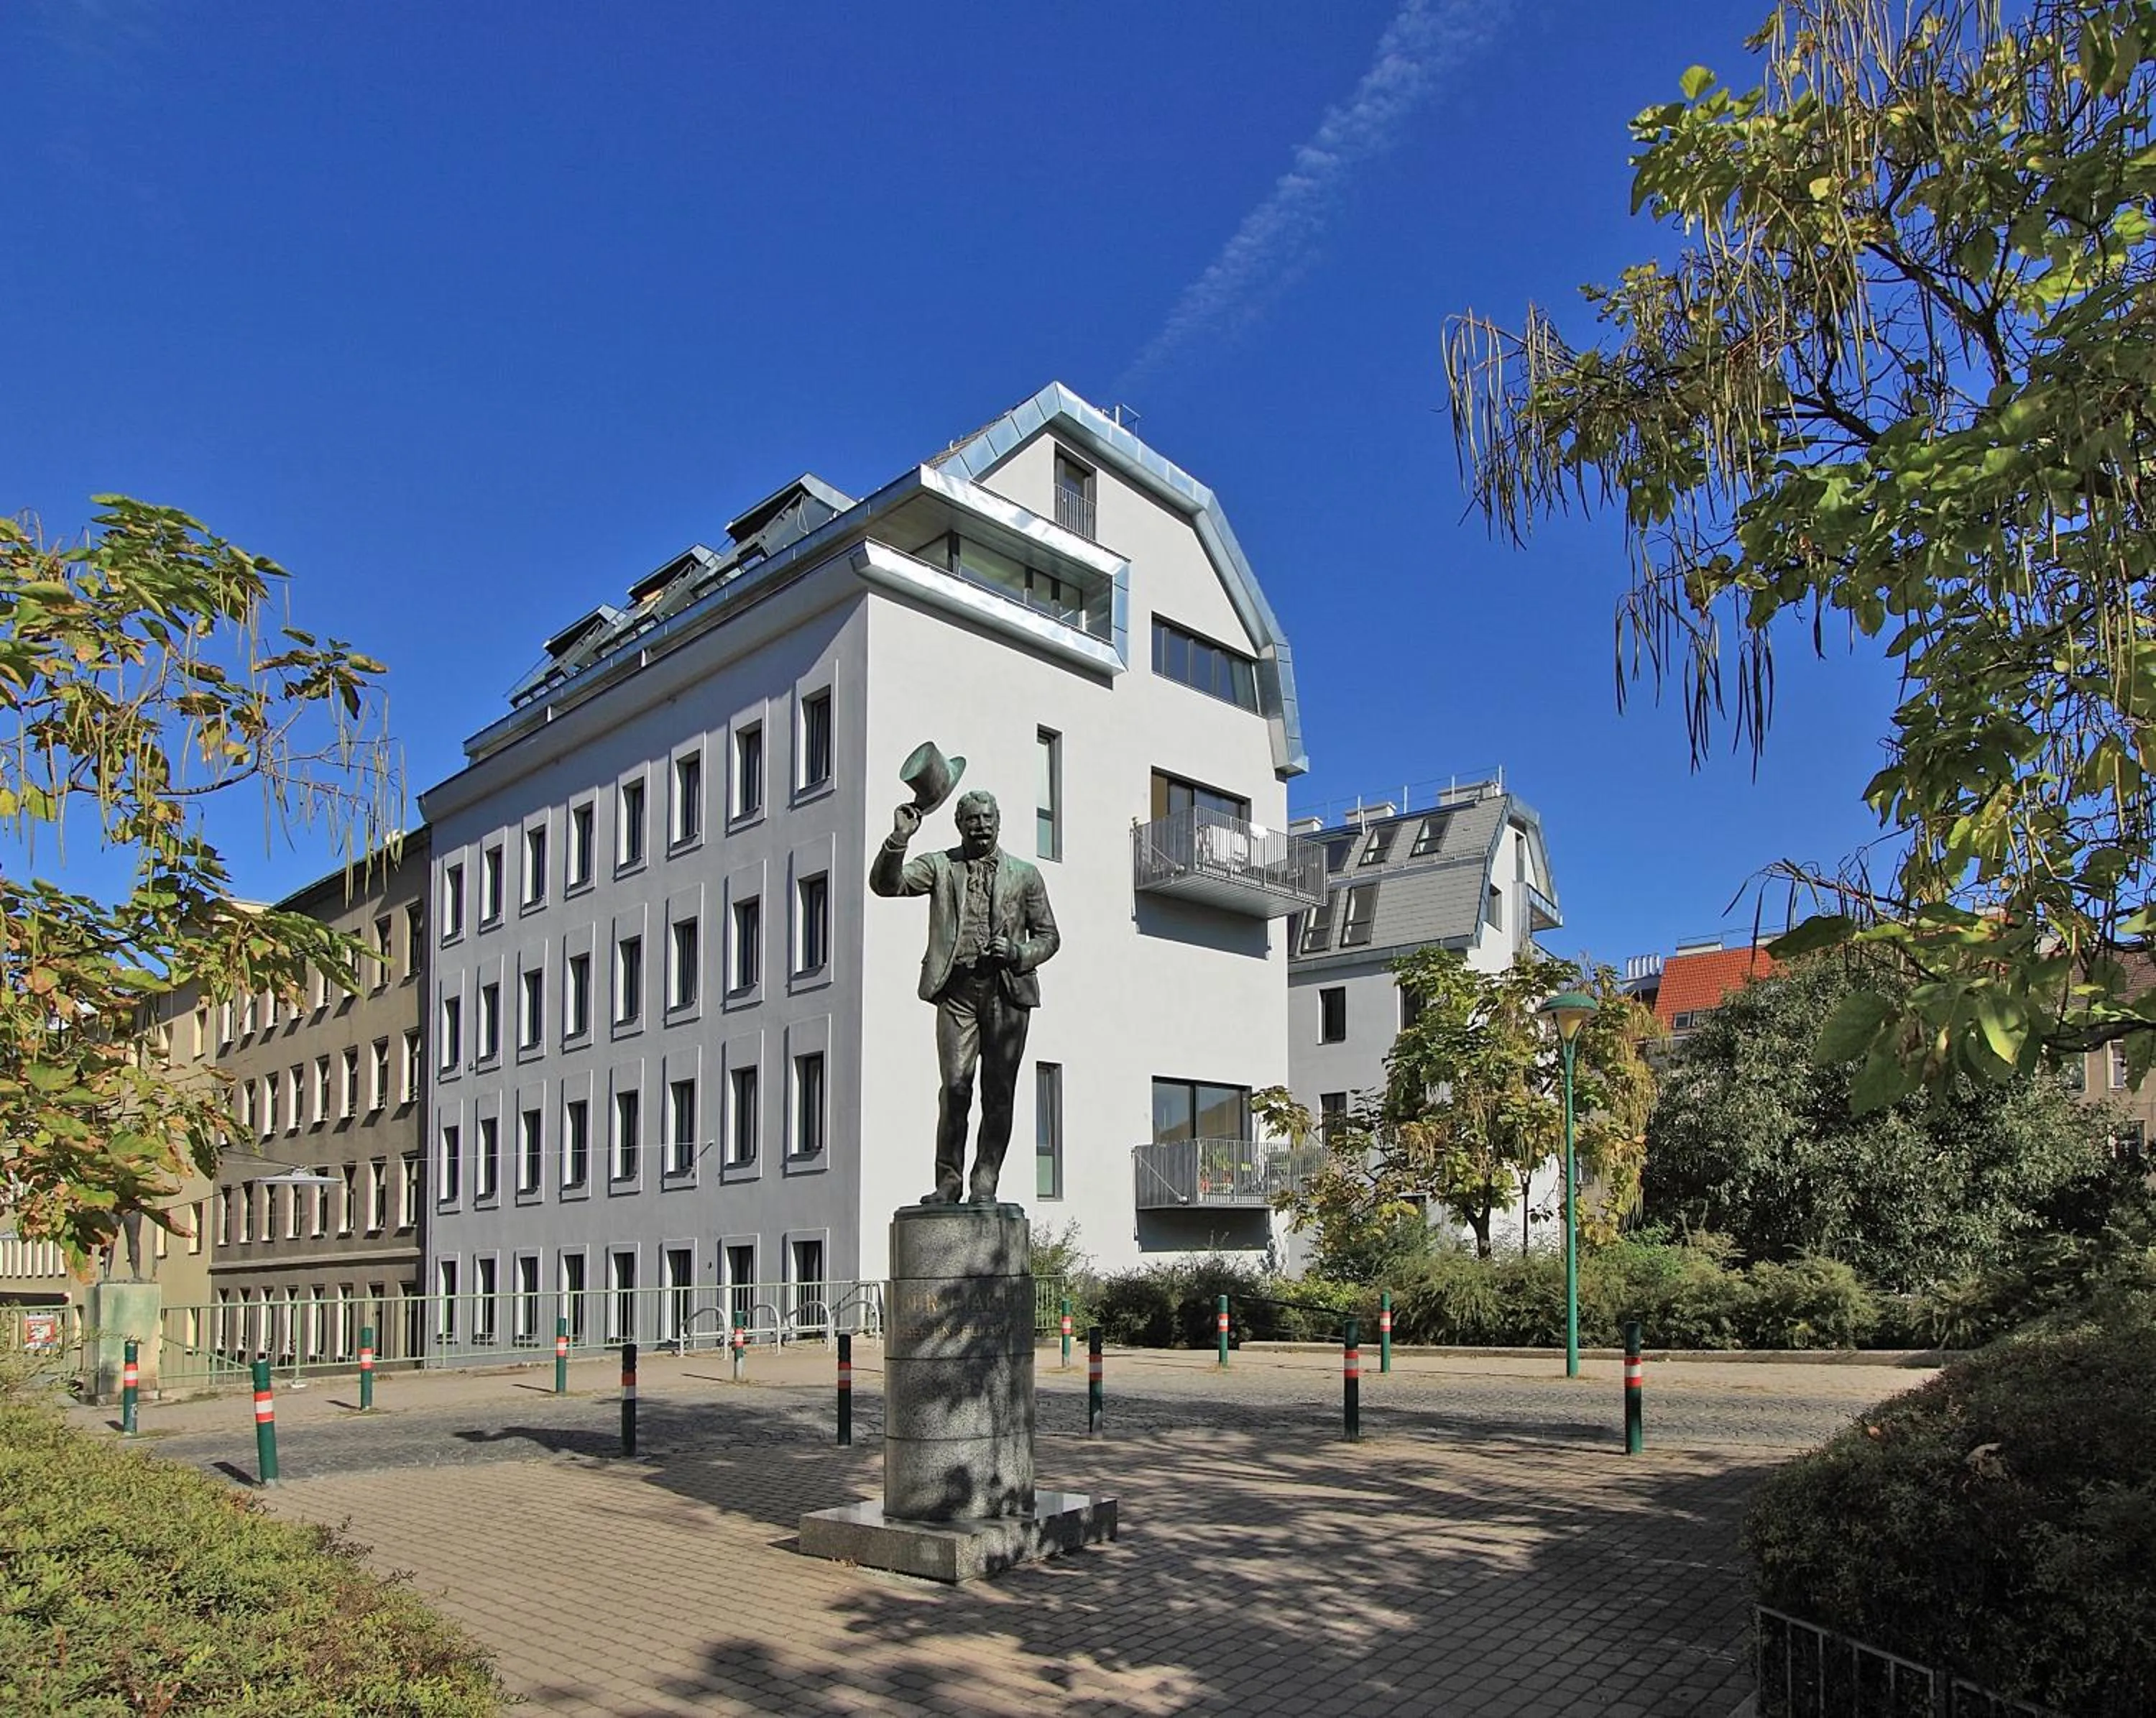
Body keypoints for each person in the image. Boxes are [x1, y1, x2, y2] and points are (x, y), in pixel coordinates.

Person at [870, 788, 1059, 1203]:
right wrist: (899, 838)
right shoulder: (940, 866)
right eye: (973, 819)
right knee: (956, 1089)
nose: (982, 826)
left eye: (988, 818)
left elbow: (1049, 937)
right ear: (959, 824)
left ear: (999, 821)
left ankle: (985, 1180)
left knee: (998, 1092)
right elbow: (887, 885)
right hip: (957, 992)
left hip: (1007, 994)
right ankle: (948, 1181)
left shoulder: (1025, 875)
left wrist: (1017, 952)